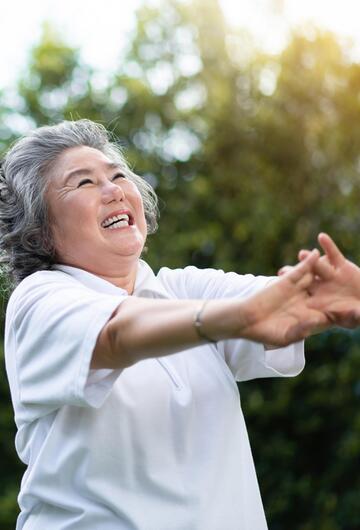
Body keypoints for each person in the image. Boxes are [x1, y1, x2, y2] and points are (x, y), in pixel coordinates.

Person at [0, 119, 354, 530]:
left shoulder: (181, 287)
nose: (114, 189)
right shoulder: (39, 299)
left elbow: (287, 300)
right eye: (83, 183)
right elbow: (117, 334)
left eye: (117, 175)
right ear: (40, 232)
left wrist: (341, 293)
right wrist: (238, 318)